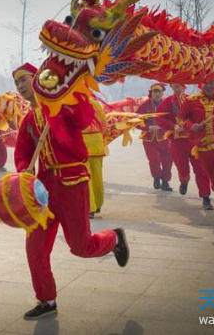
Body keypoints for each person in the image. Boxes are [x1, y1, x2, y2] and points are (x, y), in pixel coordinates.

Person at [13, 63, 129, 319]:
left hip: (73, 182)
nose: (20, 87)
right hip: (44, 189)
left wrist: (73, 98)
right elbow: (22, 152)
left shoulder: (62, 107)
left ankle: (114, 238)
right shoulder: (29, 120)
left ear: (39, 80)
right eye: (17, 83)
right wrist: (25, 170)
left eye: (24, 80)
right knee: (35, 248)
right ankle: (47, 300)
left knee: (80, 246)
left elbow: (85, 119)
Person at [177, 80, 214, 212]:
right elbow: (180, 118)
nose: (209, 86)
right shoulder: (191, 100)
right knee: (203, 174)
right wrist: (190, 126)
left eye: (212, 83)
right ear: (201, 85)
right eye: (206, 83)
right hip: (200, 147)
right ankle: (206, 197)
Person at [156, 83, 211, 204]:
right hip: (177, 142)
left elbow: (202, 117)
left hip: (194, 140)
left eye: (178, 85)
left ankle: (206, 196)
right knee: (182, 166)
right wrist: (173, 126)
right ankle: (184, 180)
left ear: (184, 86)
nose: (176, 88)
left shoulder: (192, 100)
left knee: (201, 168)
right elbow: (158, 118)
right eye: (173, 86)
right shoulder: (168, 102)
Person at [136, 83, 173, 191]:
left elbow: (173, 119)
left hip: (165, 137)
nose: (157, 94)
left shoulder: (168, 104)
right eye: (155, 92)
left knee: (168, 161)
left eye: (159, 92)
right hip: (149, 138)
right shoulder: (144, 105)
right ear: (151, 93)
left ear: (162, 93)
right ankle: (156, 177)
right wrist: (148, 127)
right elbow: (136, 121)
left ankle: (165, 182)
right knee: (154, 159)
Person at [82, 96, 107, 218]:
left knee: (87, 176)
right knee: (97, 174)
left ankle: (90, 208)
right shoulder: (96, 104)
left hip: (82, 141)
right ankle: (98, 204)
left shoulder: (74, 103)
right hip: (97, 141)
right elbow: (104, 124)